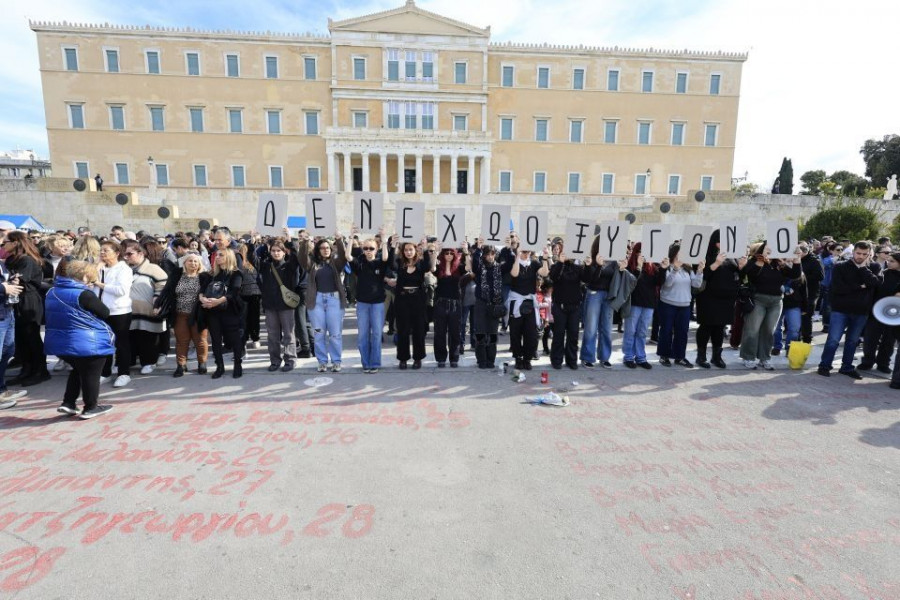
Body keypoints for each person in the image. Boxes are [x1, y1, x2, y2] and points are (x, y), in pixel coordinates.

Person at [44, 260, 114, 419]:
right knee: (91, 374)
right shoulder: (84, 294)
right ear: (83, 276)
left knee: (78, 369)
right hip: (88, 341)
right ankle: (90, 407)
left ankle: (68, 403)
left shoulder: (52, 291)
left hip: (61, 342)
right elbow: (105, 312)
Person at [818, 241, 881, 379]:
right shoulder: (841, 266)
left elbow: (875, 283)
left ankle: (846, 367)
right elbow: (838, 288)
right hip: (840, 309)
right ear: (853, 252)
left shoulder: (874, 267)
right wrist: (861, 286)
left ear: (869, 253)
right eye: (858, 253)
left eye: (864, 254)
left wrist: (864, 270)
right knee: (833, 340)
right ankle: (824, 365)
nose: (861, 256)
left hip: (861, 311)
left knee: (852, 341)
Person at [740, 242, 802, 370]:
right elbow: (750, 275)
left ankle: (765, 358)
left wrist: (797, 260)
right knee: (753, 329)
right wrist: (762, 259)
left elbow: (795, 275)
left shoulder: (779, 263)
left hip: (776, 301)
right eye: (769, 247)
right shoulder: (755, 260)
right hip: (758, 299)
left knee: (769, 331)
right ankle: (749, 357)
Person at [3, 231, 50, 387]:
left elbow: (20, 280)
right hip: (15, 301)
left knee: (32, 337)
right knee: (21, 338)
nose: (4, 245)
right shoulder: (11, 259)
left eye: (6, 242)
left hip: (28, 301)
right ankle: (26, 369)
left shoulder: (28, 260)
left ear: (16, 242)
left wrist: (10, 281)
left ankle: (40, 371)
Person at [297, 232, 348, 372]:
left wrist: (339, 239)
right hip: (316, 300)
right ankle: (322, 362)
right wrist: (305, 242)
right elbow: (302, 259)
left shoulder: (335, 263)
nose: (325, 250)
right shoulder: (312, 264)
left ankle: (336, 361)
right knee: (319, 333)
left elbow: (343, 257)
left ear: (331, 249)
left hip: (334, 300)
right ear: (318, 250)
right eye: (322, 248)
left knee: (335, 333)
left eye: (328, 247)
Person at [156, 252, 210, 377]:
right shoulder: (177, 275)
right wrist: (157, 305)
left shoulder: (205, 277)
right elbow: (167, 291)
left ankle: (202, 363)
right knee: (181, 341)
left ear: (199, 264)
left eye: (196, 261)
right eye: (190, 261)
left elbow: (209, 292)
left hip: (198, 315)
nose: (193, 263)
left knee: (200, 340)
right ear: (184, 263)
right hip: (180, 314)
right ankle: (181, 365)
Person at [694, 232, 743, 368]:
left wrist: (741, 267)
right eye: (721, 242)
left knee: (720, 327)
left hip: (726, 299)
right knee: (706, 326)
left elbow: (737, 275)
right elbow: (701, 276)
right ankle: (701, 356)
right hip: (708, 298)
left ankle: (717, 357)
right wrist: (715, 264)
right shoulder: (705, 255)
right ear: (715, 242)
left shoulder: (731, 257)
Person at [121, 239, 168, 376]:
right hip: (127, 311)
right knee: (130, 339)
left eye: (130, 254)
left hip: (148, 311)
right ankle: (129, 362)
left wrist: (157, 302)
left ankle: (149, 362)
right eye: (124, 254)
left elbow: (163, 287)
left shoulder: (153, 269)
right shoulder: (123, 269)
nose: (126, 257)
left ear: (140, 253)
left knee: (147, 339)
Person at [93, 240, 133, 387]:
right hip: (100, 310)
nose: (102, 253)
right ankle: (105, 372)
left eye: (106, 251)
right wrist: (96, 268)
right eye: (101, 250)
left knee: (121, 343)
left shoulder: (124, 269)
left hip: (119, 311)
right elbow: (87, 283)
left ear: (117, 253)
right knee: (104, 343)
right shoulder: (100, 268)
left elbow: (121, 290)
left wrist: (99, 284)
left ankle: (124, 373)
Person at [657, 244, 704, 367]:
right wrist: (675, 269)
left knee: (682, 332)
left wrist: (699, 271)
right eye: (680, 253)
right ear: (674, 254)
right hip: (668, 304)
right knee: (666, 330)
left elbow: (697, 284)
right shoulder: (667, 267)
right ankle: (664, 356)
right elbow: (667, 284)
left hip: (684, 305)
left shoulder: (687, 269)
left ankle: (680, 357)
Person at [349, 229, 389, 373]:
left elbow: (385, 257)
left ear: (376, 249)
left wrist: (384, 240)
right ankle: (366, 363)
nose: (368, 251)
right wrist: (351, 237)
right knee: (363, 335)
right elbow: (348, 256)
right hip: (362, 304)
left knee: (377, 334)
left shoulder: (380, 263)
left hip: (377, 303)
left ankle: (375, 363)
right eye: (365, 248)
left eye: (371, 248)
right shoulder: (360, 263)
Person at [201, 248, 244, 378]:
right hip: (213, 312)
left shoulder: (236, 273)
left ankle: (238, 364)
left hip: (230, 311)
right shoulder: (211, 274)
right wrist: (203, 299)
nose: (217, 257)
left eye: (221, 255)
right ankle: (219, 366)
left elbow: (234, 292)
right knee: (215, 340)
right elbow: (202, 290)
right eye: (216, 255)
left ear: (229, 257)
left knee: (235, 339)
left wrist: (218, 301)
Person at [391, 240, 434, 370]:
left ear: (415, 250)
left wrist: (426, 249)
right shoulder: (399, 264)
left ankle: (418, 358)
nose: (408, 252)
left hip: (417, 300)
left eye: (411, 249)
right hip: (403, 299)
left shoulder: (420, 264)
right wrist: (393, 247)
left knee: (418, 330)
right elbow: (391, 264)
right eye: (406, 250)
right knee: (403, 330)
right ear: (403, 252)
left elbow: (428, 266)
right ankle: (403, 359)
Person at [622, 242, 665, 369]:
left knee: (642, 332)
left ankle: (641, 357)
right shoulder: (630, 267)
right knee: (630, 331)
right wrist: (639, 267)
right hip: (634, 303)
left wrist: (663, 268)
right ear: (636, 253)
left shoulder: (652, 267)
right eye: (641, 251)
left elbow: (659, 282)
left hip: (649, 303)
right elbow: (631, 283)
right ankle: (628, 357)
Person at [259, 241, 299, 372]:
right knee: (272, 336)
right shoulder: (266, 266)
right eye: (273, 251)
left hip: (286, 306)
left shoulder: (289, 266)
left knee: (288, 334)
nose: (276, 253)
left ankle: (290, 360)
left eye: (278, 251)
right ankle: (275, 360)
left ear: (284, 252)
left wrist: (289, 241)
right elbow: (252, 258)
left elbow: (296, 257)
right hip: (270, 306)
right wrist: (255, 241)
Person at [580, 239, 619, 369]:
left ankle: (605, 357)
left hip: (608, 295)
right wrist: (597, 265)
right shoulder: (592, 258)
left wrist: (622, 268)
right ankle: (587, 357)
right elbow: (589, 279)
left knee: (607, 328)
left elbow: (617, 279)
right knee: (591, 328)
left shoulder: (614, 261)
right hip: (594, 294)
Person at [859, 250, 900, 373]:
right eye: (888, 260)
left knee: (889, 340)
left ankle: (883, 363)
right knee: (871, 338)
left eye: (892, 261)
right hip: (876, 310)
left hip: (894, 315)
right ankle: (867, 362)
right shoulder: (883, 273)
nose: (888, 262)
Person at [548, 244, 584, 370]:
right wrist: (560, 262)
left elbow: (589, 278)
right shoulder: (556, 266)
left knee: (573, 334)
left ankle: (571, 360)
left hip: (575, 307)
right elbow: (553, 277)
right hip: (560, 306)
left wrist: (591, 265)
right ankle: (556, 360)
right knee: (558, 334)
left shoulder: (578, 268)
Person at [433, 244, 467, 368]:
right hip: (440, 303)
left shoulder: (459, 267)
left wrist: (466, 252)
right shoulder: (439, 267)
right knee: (440, 333)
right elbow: (431, 268)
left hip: (455, 304)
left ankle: (454, 358)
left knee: (455, 333)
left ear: (454, 254)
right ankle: (441, 358)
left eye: (451, 253)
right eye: (446, 253)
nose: (448, 255)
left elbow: (469, 267)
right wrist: (435, 252)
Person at [471, 242, 503, 369]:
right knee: (480, 333)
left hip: (495, 304)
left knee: (493, 333)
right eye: (487, 254)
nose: (490, 257)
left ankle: (491, 360)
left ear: (495, 255)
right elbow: (474, 265)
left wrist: (509, 246)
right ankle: (481, 360)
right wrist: (479, 248)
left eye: (492, 254)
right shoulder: (480, 267)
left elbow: (510, 259)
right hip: (481, 303)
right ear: (484, 255)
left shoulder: (499, 267)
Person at [0, 256, 26, 409]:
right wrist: (4, 288)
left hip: (6, 311)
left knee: (7, 352)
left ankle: (2, 390)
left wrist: (12, 283)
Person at [237, 243, 262, 350]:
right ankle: (255, 338)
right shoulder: (252, 262)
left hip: (244, 293)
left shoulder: (241, 262)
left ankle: (246, 338)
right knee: (254, 317)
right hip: (255, 293)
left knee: (244, 318)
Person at [798, 241, 824, 344]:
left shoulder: (814, 261)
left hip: (811, 293)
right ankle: (796, 337)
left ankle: (807, 339)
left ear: (804, 252)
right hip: (798, 292)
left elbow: (821, 276)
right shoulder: (797, 260)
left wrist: (803, 278)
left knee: (806, 316)